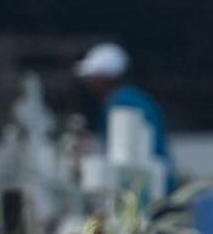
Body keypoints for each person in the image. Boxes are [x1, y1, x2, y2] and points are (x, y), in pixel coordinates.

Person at [75, 42, 177, 191]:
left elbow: (120, 154)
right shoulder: (134, 98)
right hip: (154, 181)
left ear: (105, 78)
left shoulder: (121, 103)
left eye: (92, 78)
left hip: (146, 187)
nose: (89, 84)